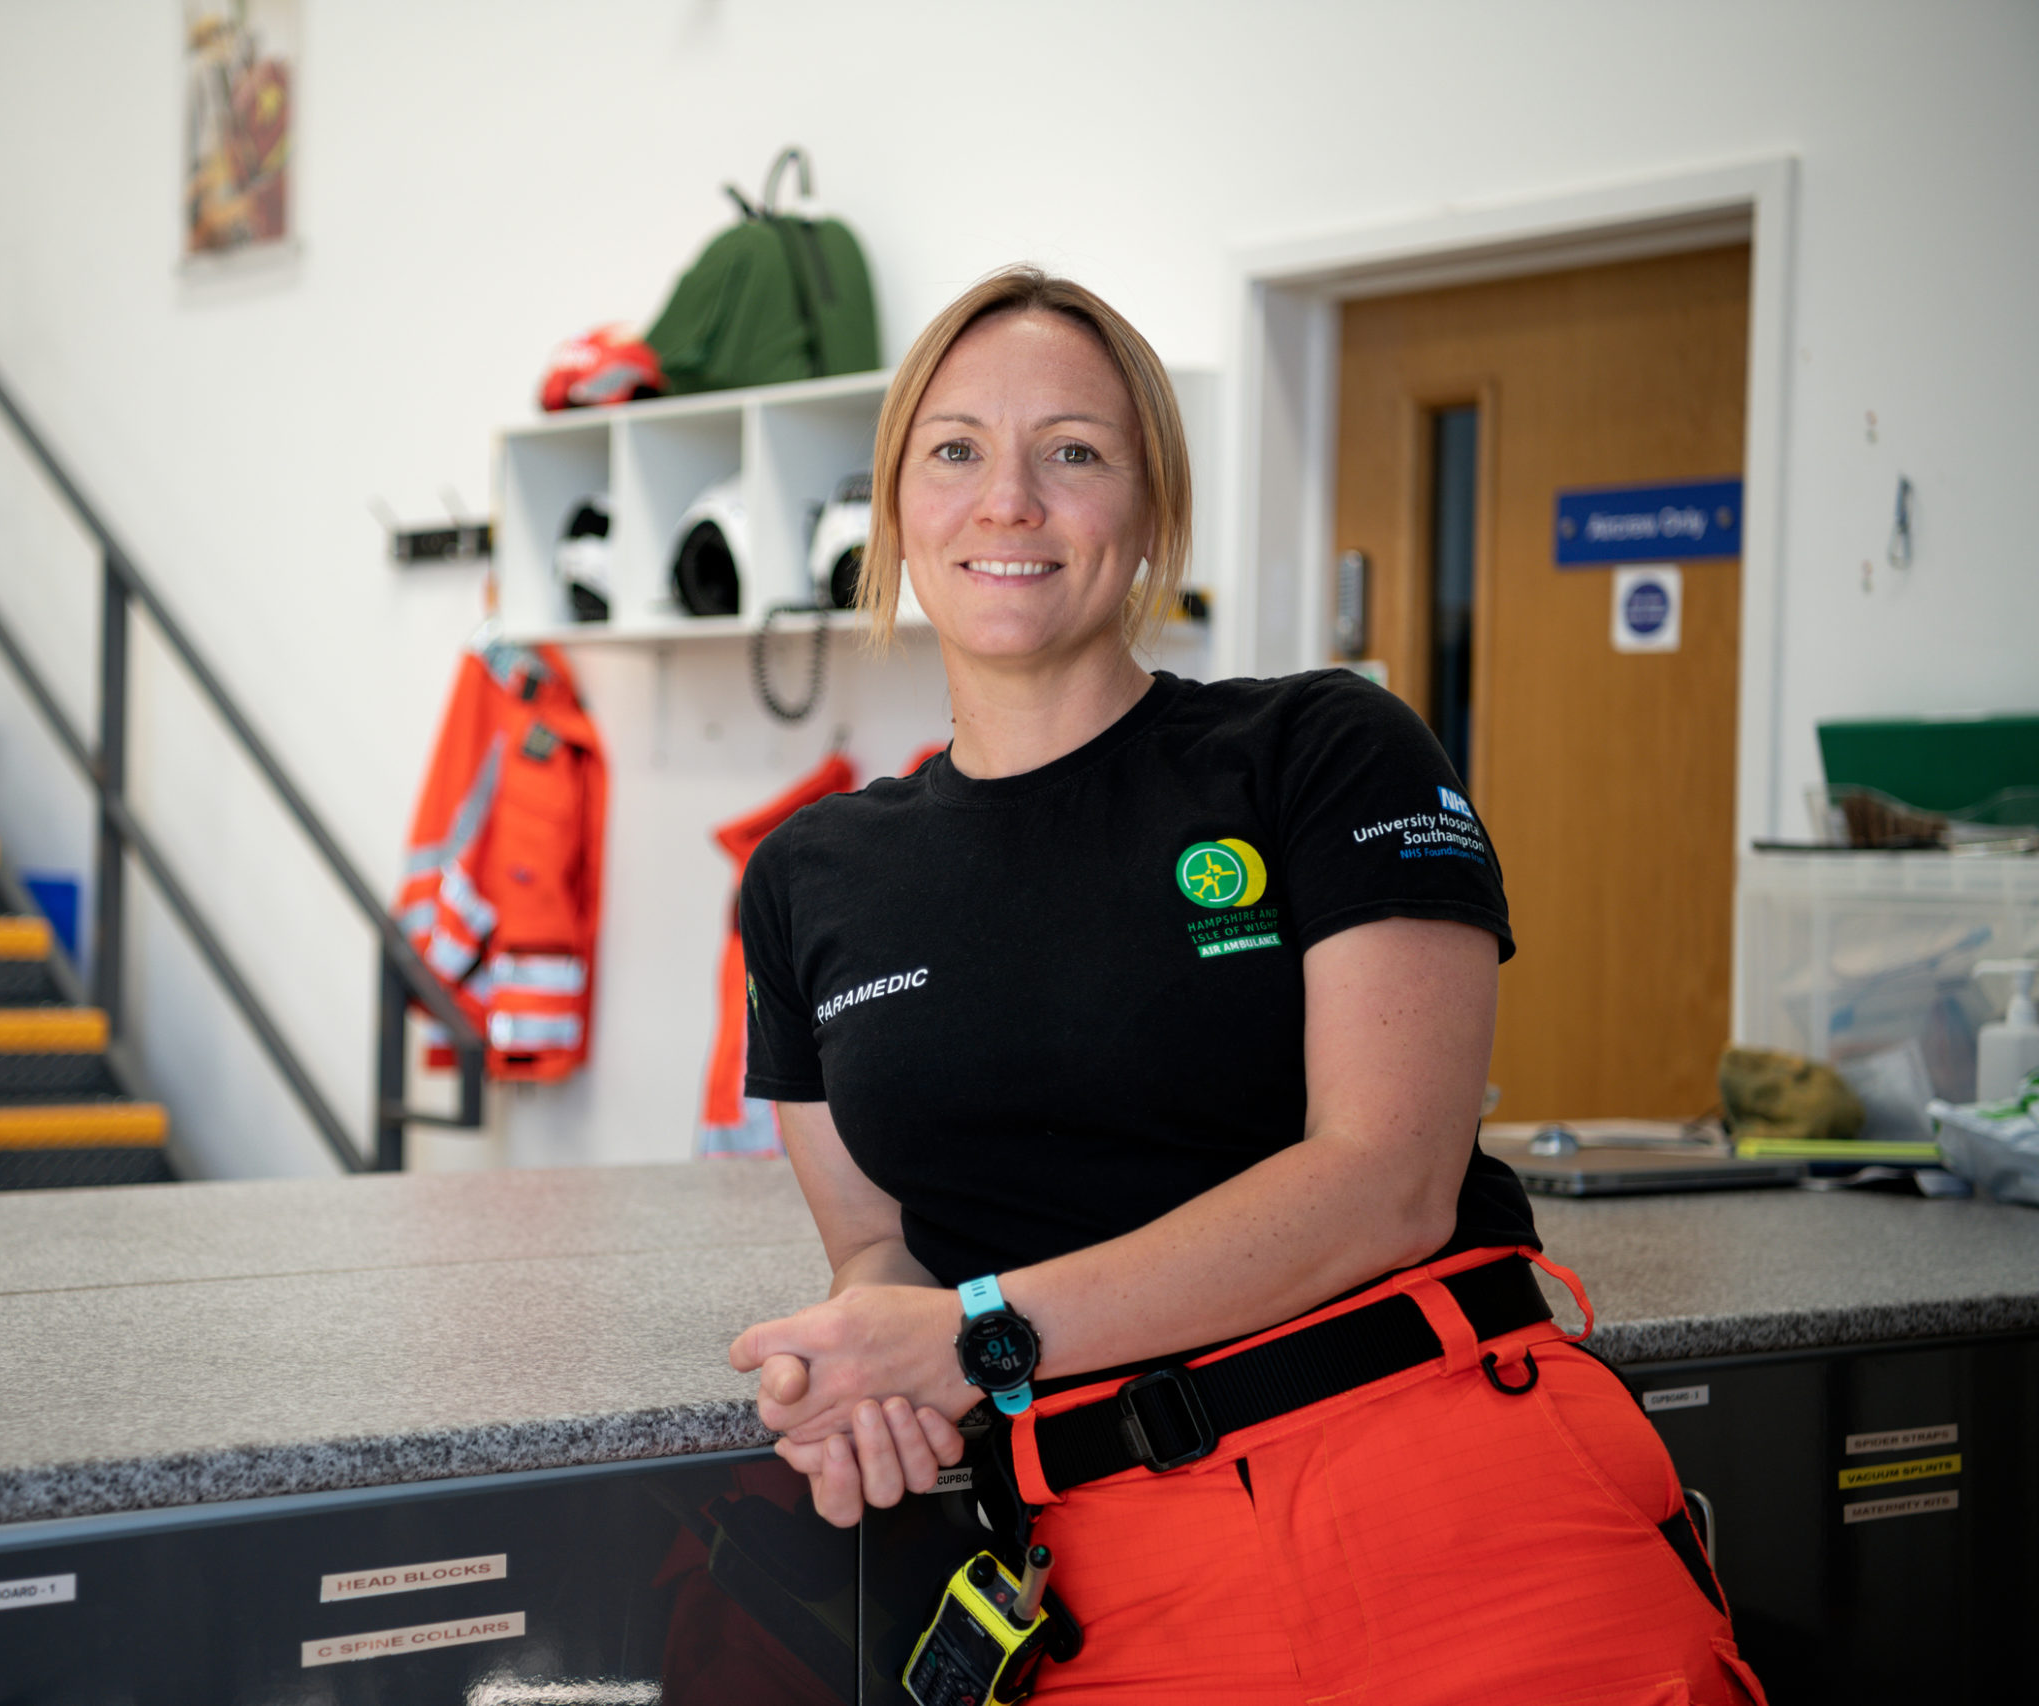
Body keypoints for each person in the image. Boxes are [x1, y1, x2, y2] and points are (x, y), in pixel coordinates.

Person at [726, 267, 1764, 1704]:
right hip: (1104, 1581)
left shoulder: (1323, 750)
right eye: (954, 449)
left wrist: (980, 1333)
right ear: (897, 507)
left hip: (1458, 1493)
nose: (1007, 499)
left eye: (1073, 451)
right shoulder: (806, 877)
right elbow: (883, 1249)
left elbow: (1387, 1176)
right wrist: (863, 1370)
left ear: (1152, 508)